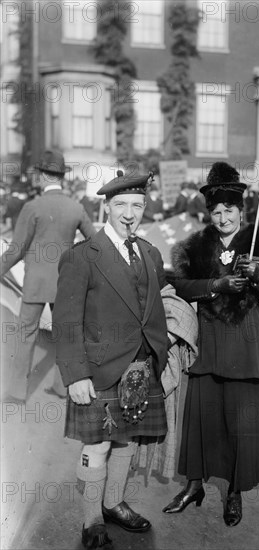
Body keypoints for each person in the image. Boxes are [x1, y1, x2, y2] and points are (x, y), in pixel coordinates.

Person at [163, 162, 259, 526]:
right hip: (208, 343)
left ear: (242, 211)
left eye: (229, 210)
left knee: (241, 421)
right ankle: (194, 484)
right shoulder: (196, 245)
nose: (222, 218)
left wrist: (258, 275)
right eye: (216, 211)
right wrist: (215, 286)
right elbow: (182, 285)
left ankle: (235, 492)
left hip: (246, 345)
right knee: (201, 416)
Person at [52, 171, 170, 549]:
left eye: (137, 205)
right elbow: (67, 321)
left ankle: (114, 502)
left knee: (127, 443)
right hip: (99, 370)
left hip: (141, 368)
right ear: (106, 207)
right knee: (98, 446)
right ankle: (91, 522)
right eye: (120, 205)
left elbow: (152, 308)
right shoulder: (81, 256)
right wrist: (75, 375)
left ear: (145, 208)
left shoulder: (151, 253)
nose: (129, 213)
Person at [0, 150, 96, 404]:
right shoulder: (76, 207)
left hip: (35, 283)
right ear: (61, 177)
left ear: (43, 176)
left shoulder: (32, 207)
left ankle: (18, 393)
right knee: (65, 334)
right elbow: (95, 243)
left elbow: (16, 250)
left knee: (26, 334)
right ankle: (62, 386)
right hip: (65, 282)